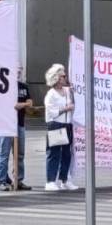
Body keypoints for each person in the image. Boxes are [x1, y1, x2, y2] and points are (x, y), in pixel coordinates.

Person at [0, 70, 33, 192]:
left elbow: (30, 103)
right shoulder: (5, 85)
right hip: (6, 125)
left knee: (20, 154)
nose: (18, 72)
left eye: (20, 69)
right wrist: (23, 104)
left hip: (20, 124)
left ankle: (18, 179)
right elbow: (10, 105)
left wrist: (20, 105)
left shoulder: (23, 86)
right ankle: (1, 180)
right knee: (4, 153)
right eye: (16, 69)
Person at [43, 63, 78, 191]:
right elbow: (51, 111)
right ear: (57, 78)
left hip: (67, 124)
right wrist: (66, 109)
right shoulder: (51, 94)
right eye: (63, 76)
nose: (65, 78)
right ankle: (50, 180)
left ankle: (65, 179)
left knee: (67, 154)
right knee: (54, 153)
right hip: (56, 124)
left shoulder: (68, 91)